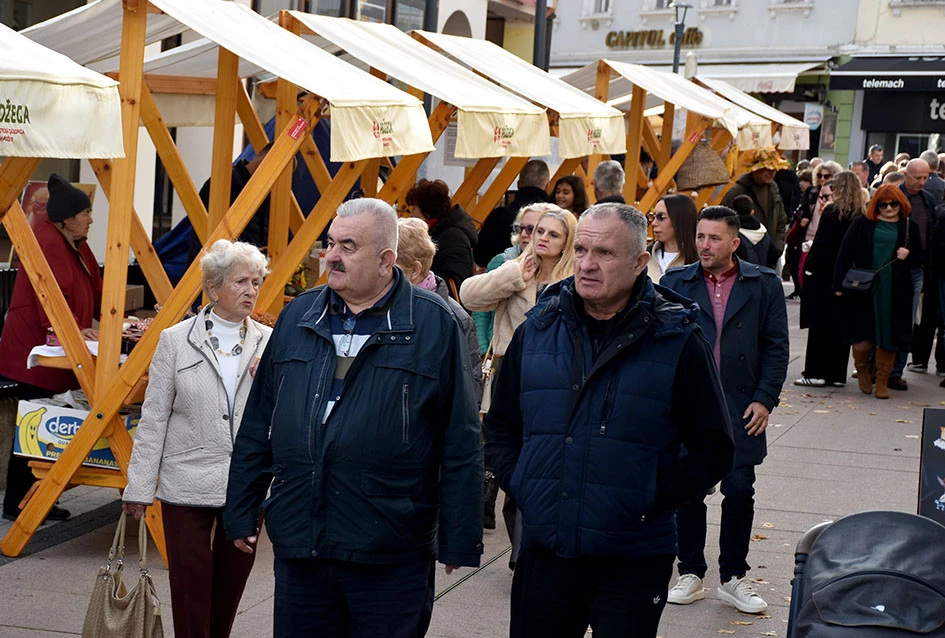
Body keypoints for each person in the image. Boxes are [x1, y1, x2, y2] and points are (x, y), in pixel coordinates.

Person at [224, 198, 483, 638]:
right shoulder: (299, 316)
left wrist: (459, 535)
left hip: (389, 545)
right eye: (330, 244)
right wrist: (241, 509)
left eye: (348, 245)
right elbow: (257, 422)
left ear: (386, 260)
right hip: (302, 540)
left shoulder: (433, 324)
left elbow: (460, 437)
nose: (333, 257)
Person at [485, 202, 734, 637]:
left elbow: (713, 449)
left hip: (633, 557)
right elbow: (502, 425)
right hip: (546, 550)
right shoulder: (538, 329)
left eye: (603, 253)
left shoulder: (677, 339)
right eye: (580, 250)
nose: (586, 264)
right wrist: (524, 481)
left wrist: (647, 496)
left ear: (640, 262)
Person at [123, 240, 272, 638]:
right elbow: (153, 417)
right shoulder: (174, 340)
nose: (251, 291)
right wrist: (138, 487)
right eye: (240, 281)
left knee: (232, 581)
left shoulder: (269, 342)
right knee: (189, 584)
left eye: (256, 282)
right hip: (186, 477)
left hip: (245, 482)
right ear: (212, 286)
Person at [661, 206, 788, 615]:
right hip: (690, 405)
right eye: (700, 237)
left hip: (741, 405)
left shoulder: (764, 284)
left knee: (739, 489)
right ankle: (691, 572)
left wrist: (765, 398)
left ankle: (734, 577)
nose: (704, 245)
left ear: (735, 243)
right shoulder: (675, 281)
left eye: (714, 238)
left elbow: (776, 347)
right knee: (688, 490)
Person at [461, 205, 576, 545]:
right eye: (540, 231)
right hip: (511, 378)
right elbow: (470, 296)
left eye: (553, 234)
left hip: (554, 381)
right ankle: (521, 544)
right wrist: (512, 276)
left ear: (567, 242)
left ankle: (532, 542)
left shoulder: (573, 278)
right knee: (510, 456)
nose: (542, 238)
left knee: (543, 460)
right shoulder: (516, 268)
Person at [0, 174, 101, 523]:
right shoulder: (48, 241)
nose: (91, 218)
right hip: (32, 352)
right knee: (31, 426)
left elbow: (96, 288)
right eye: (86, 212)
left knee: (41, 424)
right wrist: (74, 331)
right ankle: (18, 501)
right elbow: (50, 299)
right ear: (67, 218)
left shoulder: (76, 241)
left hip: (54, 349)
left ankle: (38, 496)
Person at [835, 185, 922, 399]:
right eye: (884, 204)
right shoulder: (862, 224)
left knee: (889, 335)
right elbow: (845, 254)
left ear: (901, 204)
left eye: (893, 203)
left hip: (896, 290)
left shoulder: (910, 227)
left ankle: (882, 380)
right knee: (861, 335)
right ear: (876, 205)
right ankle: (863, 370)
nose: (889, 208)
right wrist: (838, 285)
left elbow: (921, 258)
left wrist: (908, 255)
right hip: (864, 288)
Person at [394, 217, 482, 398]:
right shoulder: (375, 306)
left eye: (390, 266)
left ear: (415, 270)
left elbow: (469, 390)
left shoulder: (455, 318)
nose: (380, 272)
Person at [796, 173, 866, 387]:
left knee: (819, 326)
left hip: (824, 275)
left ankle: (815, 372)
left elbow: (821, 247)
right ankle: (836, 374)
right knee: (839, 326)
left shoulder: (831, 212)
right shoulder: (860, 215)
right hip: (848, 278)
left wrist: (809, 268)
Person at [473, 205, 544, 356]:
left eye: (531, 229)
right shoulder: (502, 261)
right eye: (521, 228)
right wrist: (483, 349)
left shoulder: (559, 269)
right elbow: (481, 310)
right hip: (500, 352)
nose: (524, 234)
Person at [187, 143, 274, 266]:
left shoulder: (264, 191)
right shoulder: (225, 182)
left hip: (243, 270)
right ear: (265, 162)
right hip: (220, 268)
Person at [895, 159, 941, 387]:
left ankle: (896, 370)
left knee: (908, 321)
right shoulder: (892, 196)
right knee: (888, 318)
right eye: (917, 178)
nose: (922, 183)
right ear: (906, 174)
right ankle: (877, 366)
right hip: (893, 266)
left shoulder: (928, 200)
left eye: (925, 178)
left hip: (917, 268)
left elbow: (930, 235)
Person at [405, 179, 478, 293]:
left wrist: (420, 277)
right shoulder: (441, 232)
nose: (412, 214)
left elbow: (457, 282)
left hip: (444, 306)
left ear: (427, 210)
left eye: (414, 208)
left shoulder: (453, 238)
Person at [475, 160, 551, 267]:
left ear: (518, 184)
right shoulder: (554, 218)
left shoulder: (498, 216)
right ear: (547, 186)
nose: (524, 234)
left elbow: (480, 256)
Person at [722, 147, 789, 262]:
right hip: (743, 258)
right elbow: (723, 221)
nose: (771, 173)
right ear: (756, 169)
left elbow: (781, 220)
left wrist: (777, 248)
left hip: (769, 256)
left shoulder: (773, 188)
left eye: (774, 169)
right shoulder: (738, 190)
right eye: (767, 168)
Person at [646, 194, 699, 281]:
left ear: (680, 219)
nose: (654, 223)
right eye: (653, 216)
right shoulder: (644, 258)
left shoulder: (700, 262)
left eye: (661, 217)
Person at [730, 194, 775, 268]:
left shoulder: (732, 233)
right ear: (752, 212)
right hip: (761, 274)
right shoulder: (763, 230)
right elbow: (773, 255)